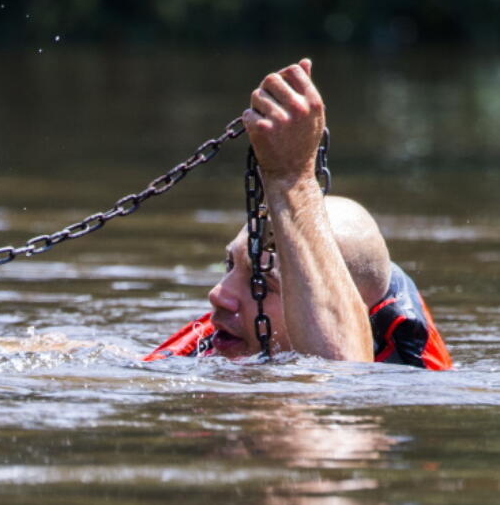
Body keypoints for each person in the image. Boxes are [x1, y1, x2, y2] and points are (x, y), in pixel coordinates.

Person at [145, 60, 451, 369]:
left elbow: (342, 386)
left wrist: (291, 180)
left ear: (356, 316)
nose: (218, 296)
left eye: (261, 283)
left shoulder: (403, 377)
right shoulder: (208, 346)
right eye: (230, 266)